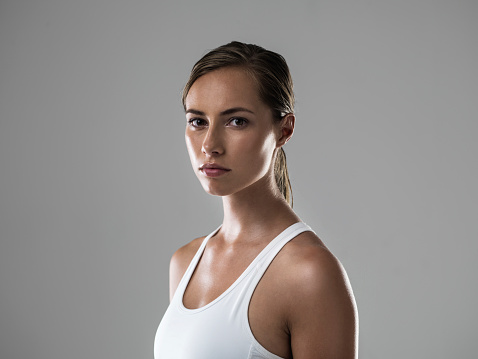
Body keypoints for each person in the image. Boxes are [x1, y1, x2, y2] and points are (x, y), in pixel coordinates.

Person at [154, 41, 358, 359]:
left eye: (237, 121)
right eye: (198, 121)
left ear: (284, 130)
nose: (210, 145)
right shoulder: (185, 262)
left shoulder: (308, 273)